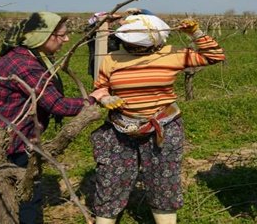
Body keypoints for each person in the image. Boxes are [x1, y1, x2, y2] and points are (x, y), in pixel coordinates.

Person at [0, 11, 111, 223]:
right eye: (61, 35)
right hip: (10, 144)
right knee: (24, 198)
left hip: (9, 139)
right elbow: (57, 104)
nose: (66, 39)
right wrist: (93, 100)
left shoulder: (26, 55)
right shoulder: (25, 64)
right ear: (43, 37)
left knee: (5, 198)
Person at [90, 12, 226, 224]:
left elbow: (214, 56)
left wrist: (196, 33)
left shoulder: (172, 54)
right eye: (129, 42)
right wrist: (105, 98)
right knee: (111, 180)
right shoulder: (111, 58)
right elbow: (100, 87)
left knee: (163, 180)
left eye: (139, 45)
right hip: (120, 129)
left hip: (162, 128)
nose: (134, 48)